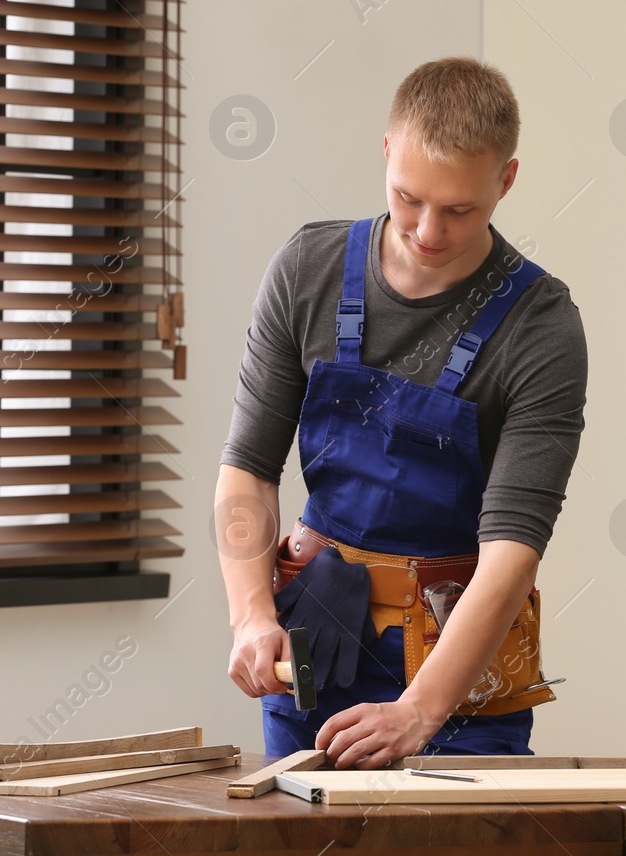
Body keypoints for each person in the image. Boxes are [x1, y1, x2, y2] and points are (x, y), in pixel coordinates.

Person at [216, 57, 587, 769]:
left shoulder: (541, 326)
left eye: (460, 209)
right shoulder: (308, 269)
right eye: (409, 198)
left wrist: (421, 709)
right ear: (387, 151)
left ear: (506, 180)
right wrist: (252, 615)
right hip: (316, 639)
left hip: (461, 666)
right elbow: (248, 471)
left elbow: (513, 548)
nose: (426, 230)